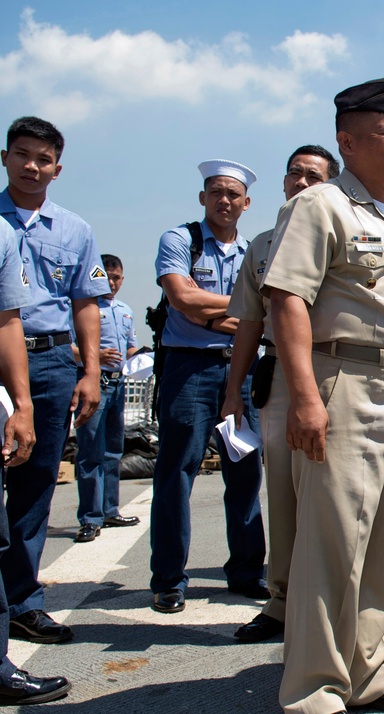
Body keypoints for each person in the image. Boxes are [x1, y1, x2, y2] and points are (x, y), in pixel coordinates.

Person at [263, 76, 384, 714]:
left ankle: (369, 668)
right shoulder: (319, 206)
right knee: (331, 539)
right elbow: (287, 301)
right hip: (343, 383)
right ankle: (314, 686)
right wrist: (306, 399)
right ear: (349, 139)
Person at [224, 145, 339, 643]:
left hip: (336, 376)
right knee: (284, 496)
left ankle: (330, 603)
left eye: (313, 175)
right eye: (294, 173)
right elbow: (249, 322)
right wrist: (233, 392)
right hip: (278, 378)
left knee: (335, 493)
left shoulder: (347, 234)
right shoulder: (264, 245)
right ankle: (281, 601)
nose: (300, 182)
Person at [1, 116, 108, 644]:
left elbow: (86, 303)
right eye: (21, 154)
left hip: (48, 362)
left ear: (57, 169)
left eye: (43, 159)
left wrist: (90, 371)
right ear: (5, 158)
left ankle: (21, 600)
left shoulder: (75, 230)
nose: (31, 166)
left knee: (35, 484)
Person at [150, 159, 266, 615]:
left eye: (233, 195)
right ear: (202, 197)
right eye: (216, 192)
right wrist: (241, 310)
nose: (224, 201)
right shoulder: (180, 240)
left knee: (246, 472)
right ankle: (168, 580)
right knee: (176, 472)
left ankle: (245, 572)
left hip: (244, 369)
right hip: (189, 370)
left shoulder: (255, 251)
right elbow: (182, 298)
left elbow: (263, 312)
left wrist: (212, 314)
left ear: (246, 203)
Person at [0, 221, 71, 705]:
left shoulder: (2, 238)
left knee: (22, 504)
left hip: (39, 362)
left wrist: (22, 404)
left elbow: (7, 319)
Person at [72, 253, 140, 543]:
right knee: (90, 452)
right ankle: (90, 517)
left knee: (114, 450)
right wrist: (94, 357)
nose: (111, 282)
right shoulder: (85, 308)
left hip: (118, 384)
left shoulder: (125, 310)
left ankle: (110, 509)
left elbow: (130, 349)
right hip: (93, 383)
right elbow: (68, 347)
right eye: (106, 277)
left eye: (116, 277)